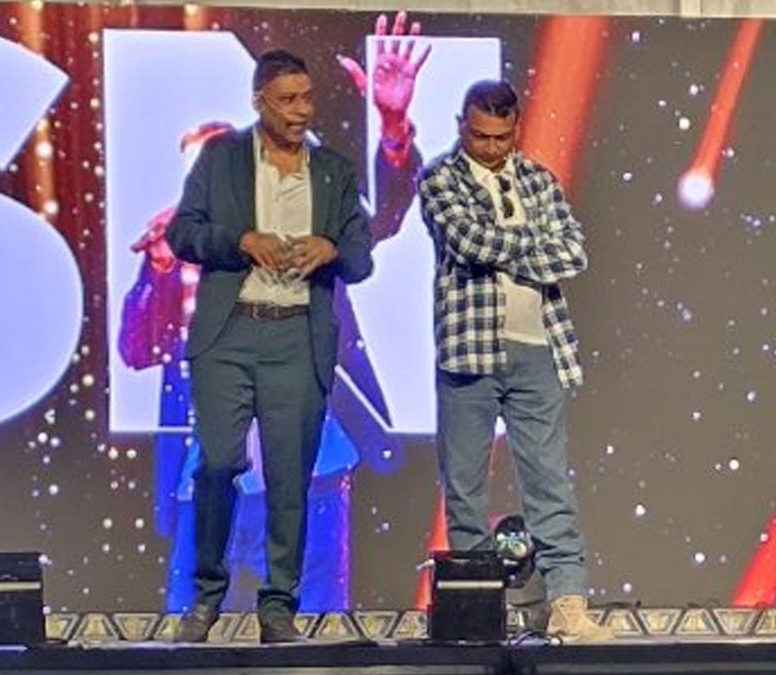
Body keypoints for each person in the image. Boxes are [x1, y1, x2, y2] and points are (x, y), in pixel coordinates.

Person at [165, 49, 374, 643]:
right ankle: (206, 598)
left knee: (289, 477)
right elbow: (183, 233)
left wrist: (330, 249)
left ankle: (278, 607)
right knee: (217, 463)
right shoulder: (222, 159)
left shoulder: (331, 172)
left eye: (306, 98)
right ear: (259, 102)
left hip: (296, 336)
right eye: (287, 100)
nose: (301, 110)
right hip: (229, 333)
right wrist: (242, 241)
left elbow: (361, 256)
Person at [417, 79, 612, 644]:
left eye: (501, 137)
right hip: (469, 351)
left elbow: (573, 252)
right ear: (462, 125)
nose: (490, 147)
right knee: (465, 486)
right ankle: (477, 610)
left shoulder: (538, 181)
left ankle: (568, 603)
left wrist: (509, 244)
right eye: (480, 136)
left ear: (516, 128)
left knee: (549, 481)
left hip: (537, 349)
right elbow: (468, 243)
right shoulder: (440, 178)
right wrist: (532, 243)